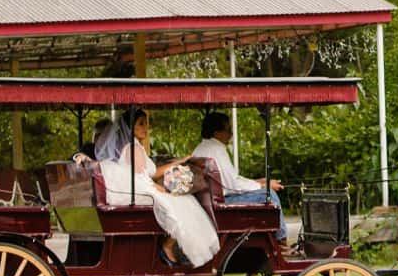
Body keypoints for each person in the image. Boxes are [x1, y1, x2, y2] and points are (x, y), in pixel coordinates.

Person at [96, 108, 219, 267]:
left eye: (146, 123)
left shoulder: (137, 147)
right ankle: (167, 246)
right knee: (183, 202)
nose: (145, 128)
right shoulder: (132, 148)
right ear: (130, 127)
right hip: (139, 190)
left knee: (182, 197)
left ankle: (174, 247)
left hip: (142, 186)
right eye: (140, 124)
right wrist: (156, 188)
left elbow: (153, 172)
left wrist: (179, 161)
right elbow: (138, 178)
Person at [191, 112, 288, 241]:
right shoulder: (216, 149)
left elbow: (229, 180)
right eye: (228, 130)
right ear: (216, 132)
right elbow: (233, 185)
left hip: (210, 201)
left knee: (264, 190)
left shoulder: (202, 148)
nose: (231, 134)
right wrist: (263, 185)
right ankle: (281, 241)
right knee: (269, 194)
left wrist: (258, 181)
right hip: (222, 204)